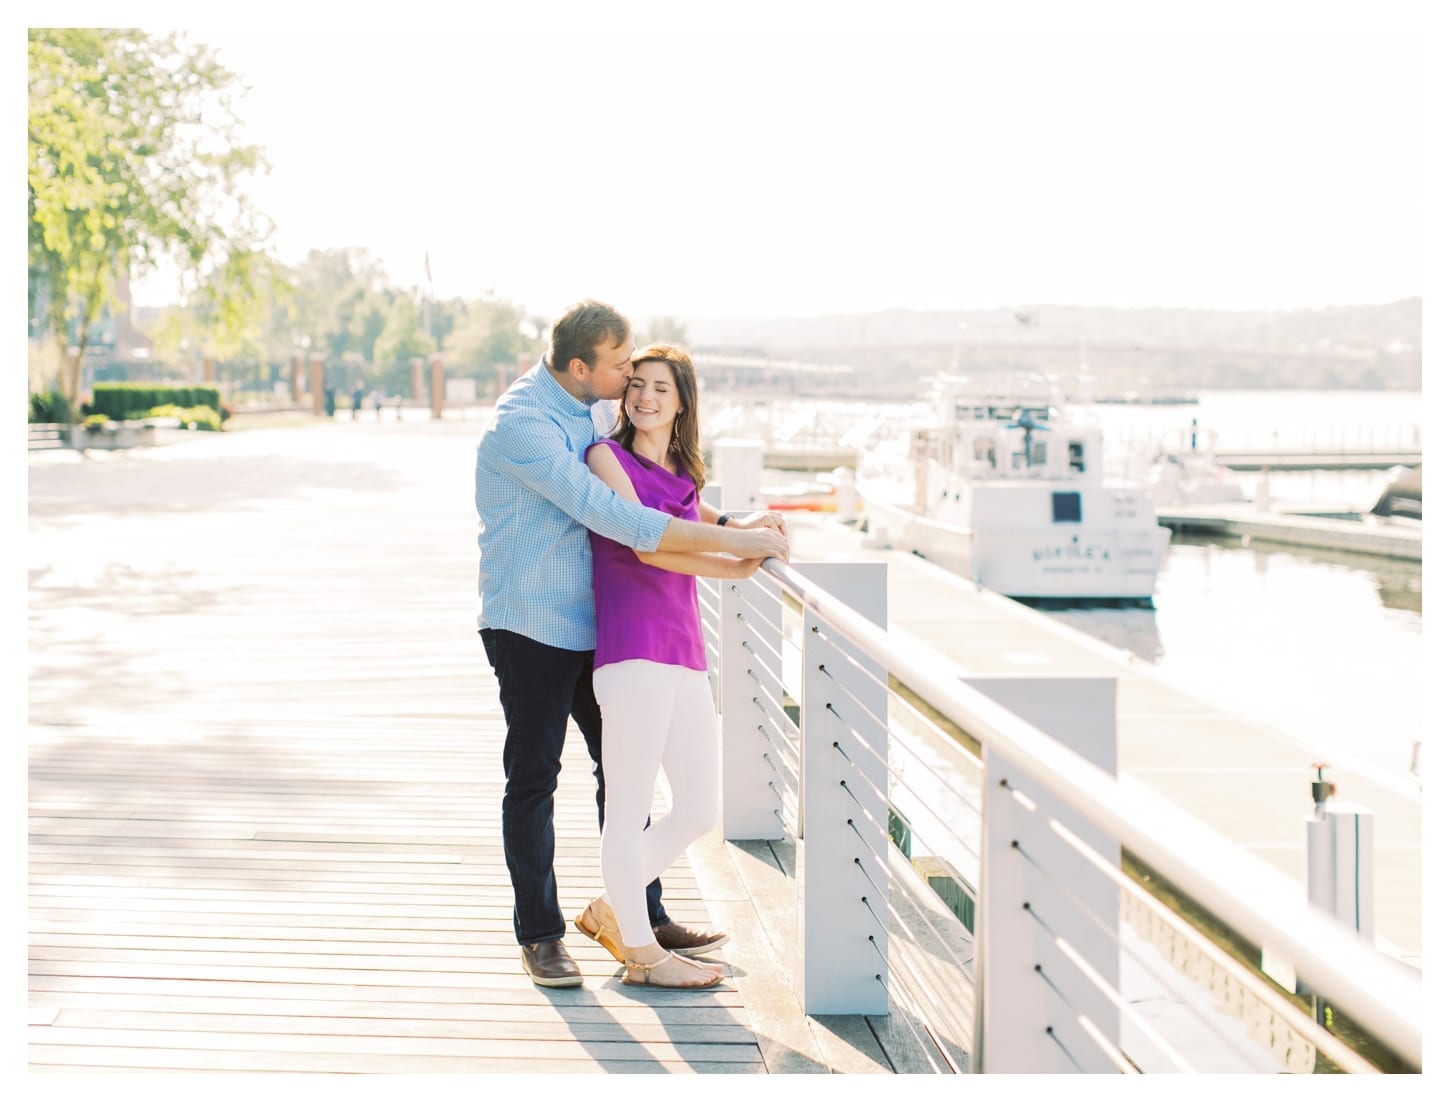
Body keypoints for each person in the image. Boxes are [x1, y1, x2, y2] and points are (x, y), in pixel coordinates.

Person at [475, 299, 789, 989]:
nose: (630, 380)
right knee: (534, 778)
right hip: (531, 623)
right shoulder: (523, 426)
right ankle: (542, 935)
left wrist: (734, 521)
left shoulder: (591, 404)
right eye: (622, 367)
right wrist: (739, 546)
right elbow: (619, 517)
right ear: (581, 366)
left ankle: (637, 911)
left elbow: (669, 490)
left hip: (602, 623)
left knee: (625, 778)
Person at [572, 344, 762, 988]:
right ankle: (643, 955)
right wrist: (741, 546)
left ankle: (612, 909)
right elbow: (649, 544)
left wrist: (741, 562)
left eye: (661, 388)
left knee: (698, 810)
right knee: (628, 810)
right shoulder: (605, 458)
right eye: (637, 386)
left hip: (684, 652)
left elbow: (688, 555)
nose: (645, 397)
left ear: (682, 403)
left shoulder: (685, 477)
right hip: (631, 652)